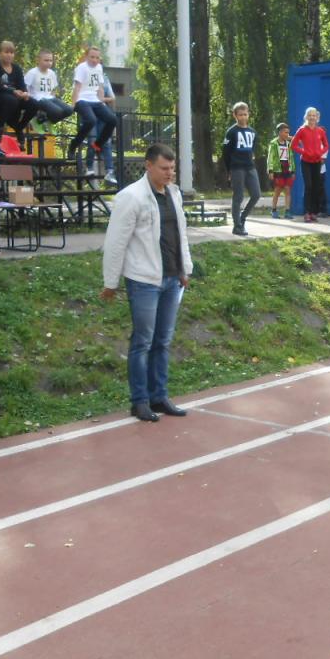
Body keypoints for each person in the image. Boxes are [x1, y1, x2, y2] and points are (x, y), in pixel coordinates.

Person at [101, 143, 193, 423]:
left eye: (172, 168)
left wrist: (185, 269)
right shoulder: (131, 197)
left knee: (162, 341)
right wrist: (110, 282)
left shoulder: (174, 194)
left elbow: (181, 235)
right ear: (148, 165)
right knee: (143, 341)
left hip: (171, 278)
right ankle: (139, 401)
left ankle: (159, 396)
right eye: (164, 168)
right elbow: (116, 243)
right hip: (143, 280)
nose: (169, 173)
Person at [72, 46, 119, 184]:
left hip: (96, 103)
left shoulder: (100, 70)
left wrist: (101, 103)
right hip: (84, 102)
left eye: (97, 58)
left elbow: (100, 90)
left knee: (111, 121)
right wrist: (73, 105)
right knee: (91, 127)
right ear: (87, 57)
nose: (95, 60)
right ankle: (89, 166)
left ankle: (105, 162)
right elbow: (77, 87)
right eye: (92, 57)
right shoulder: (82, 68)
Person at [222, 101, 261, 236]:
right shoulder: (231, 132)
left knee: (256, 194)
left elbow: (252, 150)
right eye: (240, 115)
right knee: (238, 196)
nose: (243, 117)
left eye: (245, 114)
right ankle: (237, 226)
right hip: (236, 168)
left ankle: (242, 218)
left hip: (250, 167)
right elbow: (226, 153)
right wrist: (229, 171)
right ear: (235, 115)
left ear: (248, 114)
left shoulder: (252, 132)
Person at [0, 40, 38, 136]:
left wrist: (25, 93)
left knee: (33, 104)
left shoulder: (17, 68)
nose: (9, 55)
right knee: (11, 100)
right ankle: (0, 127)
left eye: (11, 52)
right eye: (6, 52)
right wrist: (13, 91)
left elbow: (22, 84)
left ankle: (19, 128)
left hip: (15, 97)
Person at [291, 106, 328, 222]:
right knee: (308, 186)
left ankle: (314, 212)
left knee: (316, 187)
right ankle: (307, 212)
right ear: (306, 117)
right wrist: (304, 152)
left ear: (317, 118)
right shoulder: (302, 130)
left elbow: (327, 145)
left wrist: (319, 153)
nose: (312, 117)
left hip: (317, 162)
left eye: (314, 115)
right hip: (306, 162)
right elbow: (293, 145)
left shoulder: (320, 131)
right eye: (310, 115)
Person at [24, 49, 75, 125]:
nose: (49, 63)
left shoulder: (52, 73)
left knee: (69, 110)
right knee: (57, 111)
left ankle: (47, 121)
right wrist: (28, 100)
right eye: (46, 60)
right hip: (38, 99)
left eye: (51, 60)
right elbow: (25, 87)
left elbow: (53, 88)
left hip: (49, 98)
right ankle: (38, 117)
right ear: (38, 60)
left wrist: (53, 98)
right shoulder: (33, 72)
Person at [266, 122, 295, 218]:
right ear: (280, 132)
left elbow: (291, 157)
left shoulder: (288, 143)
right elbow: (270, 157)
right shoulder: (273, 143)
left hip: (287, 168)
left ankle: (287, 211)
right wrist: (270, 170)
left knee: (287, 190)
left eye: (288, 132)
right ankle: (274, 209)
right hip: (278, 169)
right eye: (286, 132)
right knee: (278, 190)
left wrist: (293, 170)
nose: (287, 135)